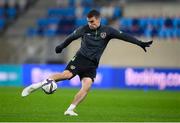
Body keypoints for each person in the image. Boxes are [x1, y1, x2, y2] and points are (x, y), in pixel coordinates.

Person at [21, 9, 153, 116]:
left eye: (92, 22)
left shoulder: (107, 31)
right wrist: (61, 46)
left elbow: (124, 36)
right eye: (89, 22)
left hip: (92, 64)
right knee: (66, 75)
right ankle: (36, 86)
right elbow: (71, 38)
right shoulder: (84, 29)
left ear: (99, 20)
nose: (90, 24)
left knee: (87, 86)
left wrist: (140, 43)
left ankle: (70, 109)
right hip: (80, 58)